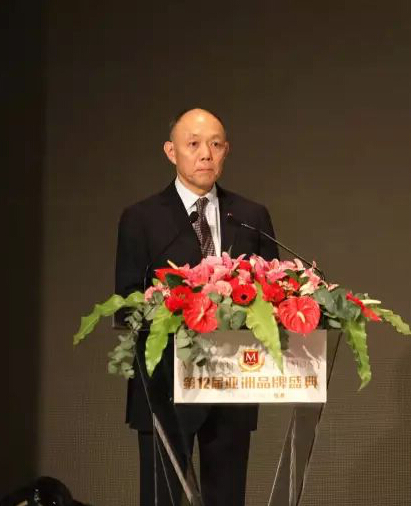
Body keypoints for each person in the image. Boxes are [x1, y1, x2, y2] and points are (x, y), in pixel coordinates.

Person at [115, 108, 279, 506]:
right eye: (193, 144)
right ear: (171, 152)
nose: (206, 153)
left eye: (215, 144)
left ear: (226, 151)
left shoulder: (250, 216)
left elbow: (275, 292)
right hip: (165, 388)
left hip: (233, 386)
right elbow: (127, 304)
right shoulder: (141, 218)